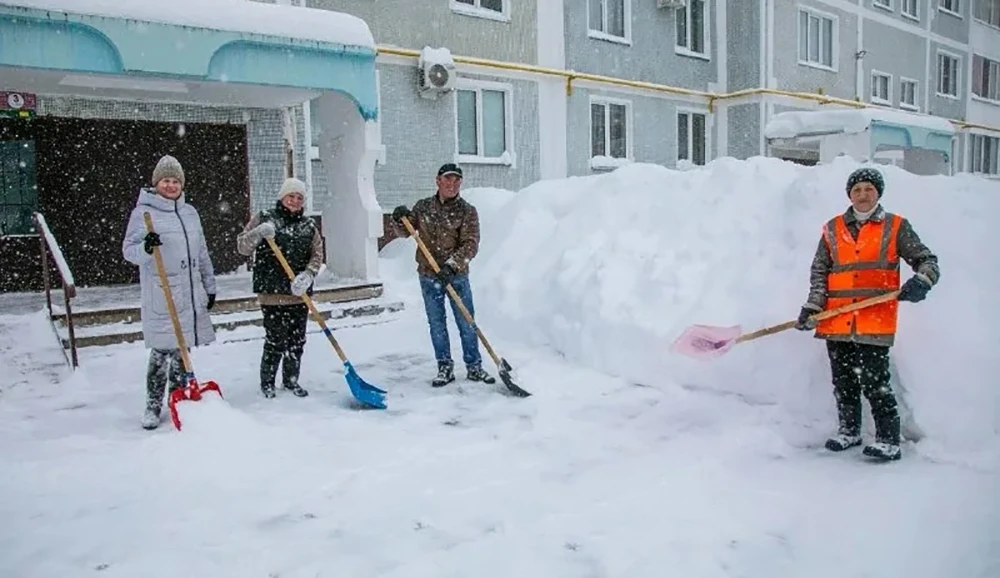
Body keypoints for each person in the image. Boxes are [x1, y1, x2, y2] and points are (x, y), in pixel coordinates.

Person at [795, 167, 939, 461]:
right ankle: (849, 431)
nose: (863, 194)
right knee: (844, 381)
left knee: (875, 382)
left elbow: (926, 260)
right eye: (857, 189)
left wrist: (923, 280)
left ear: (878, 194)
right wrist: (813, 306)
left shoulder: (896, 227)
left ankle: (888, 439)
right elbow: (820, 272)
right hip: (837, 320)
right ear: (849, 194)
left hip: (874, 320)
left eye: (869, 189)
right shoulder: (832, 228)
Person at [123, 155, 217, 430]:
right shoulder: (144, 213)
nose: (171, 185)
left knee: (182, 350)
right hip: (162, 292)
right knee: (162, 351)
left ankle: (177, 398)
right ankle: (152, 405)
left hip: (188, 291)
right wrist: (146, 248)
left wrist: (209, 286)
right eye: (166, 180)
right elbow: (129, 251)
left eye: (176, 181)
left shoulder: (190, 213)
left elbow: (202, 254)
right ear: (156, 184)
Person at [390, 163, 496, 387]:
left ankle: (474, 366)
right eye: (448, 179)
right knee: (437, 323)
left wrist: (452, 266)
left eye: (457, 180)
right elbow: (404, 233)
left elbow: (471, 244)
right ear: (438, 181)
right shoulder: (423, 207)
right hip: (429, 276)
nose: (452, 184)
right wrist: (399, 219)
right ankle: (445, 366)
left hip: (456, 275)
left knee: (466, 322)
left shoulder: (467, 211)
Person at [237, 177, 323, 399]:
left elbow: (317, 254)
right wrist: (258, 233)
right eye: (290, 196)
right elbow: (242, 247)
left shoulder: (308, 226)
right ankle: (267, 382)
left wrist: (308, 274)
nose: (294, 201)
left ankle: (291, 380)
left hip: (298, 295)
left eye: (299, 198)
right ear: (281, 197)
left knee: (297, 341)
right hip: (272, 293)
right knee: (275, 340)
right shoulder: (265, 218)